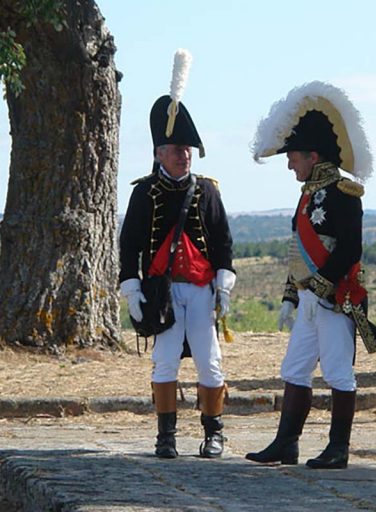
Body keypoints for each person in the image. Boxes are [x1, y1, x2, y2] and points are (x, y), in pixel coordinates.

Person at [245, 81, 373, 469]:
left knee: (337, 371)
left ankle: (338, 448)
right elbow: (297, 252)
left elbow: (351, 249)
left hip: (334, 299)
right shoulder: (307, 193)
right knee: (295, 368)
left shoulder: (343, 192)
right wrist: (292, 296)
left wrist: (321, 288)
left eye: (293, 157)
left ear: (313, 156)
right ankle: (287, 444)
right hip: (309, 300)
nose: (289, 164)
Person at [119, 49, 236, 459]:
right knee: (165, 363)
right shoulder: (143, 192)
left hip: (202, 290)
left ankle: (213, 433)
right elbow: (129, 243)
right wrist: (132, 290)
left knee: (210, 363)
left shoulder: (206, 190)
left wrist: (224, 280)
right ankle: (165, 437)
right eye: (174, 148)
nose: (183, 154)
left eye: (187, 148)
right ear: (158, 153)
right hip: (162, 290)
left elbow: (223, 240)